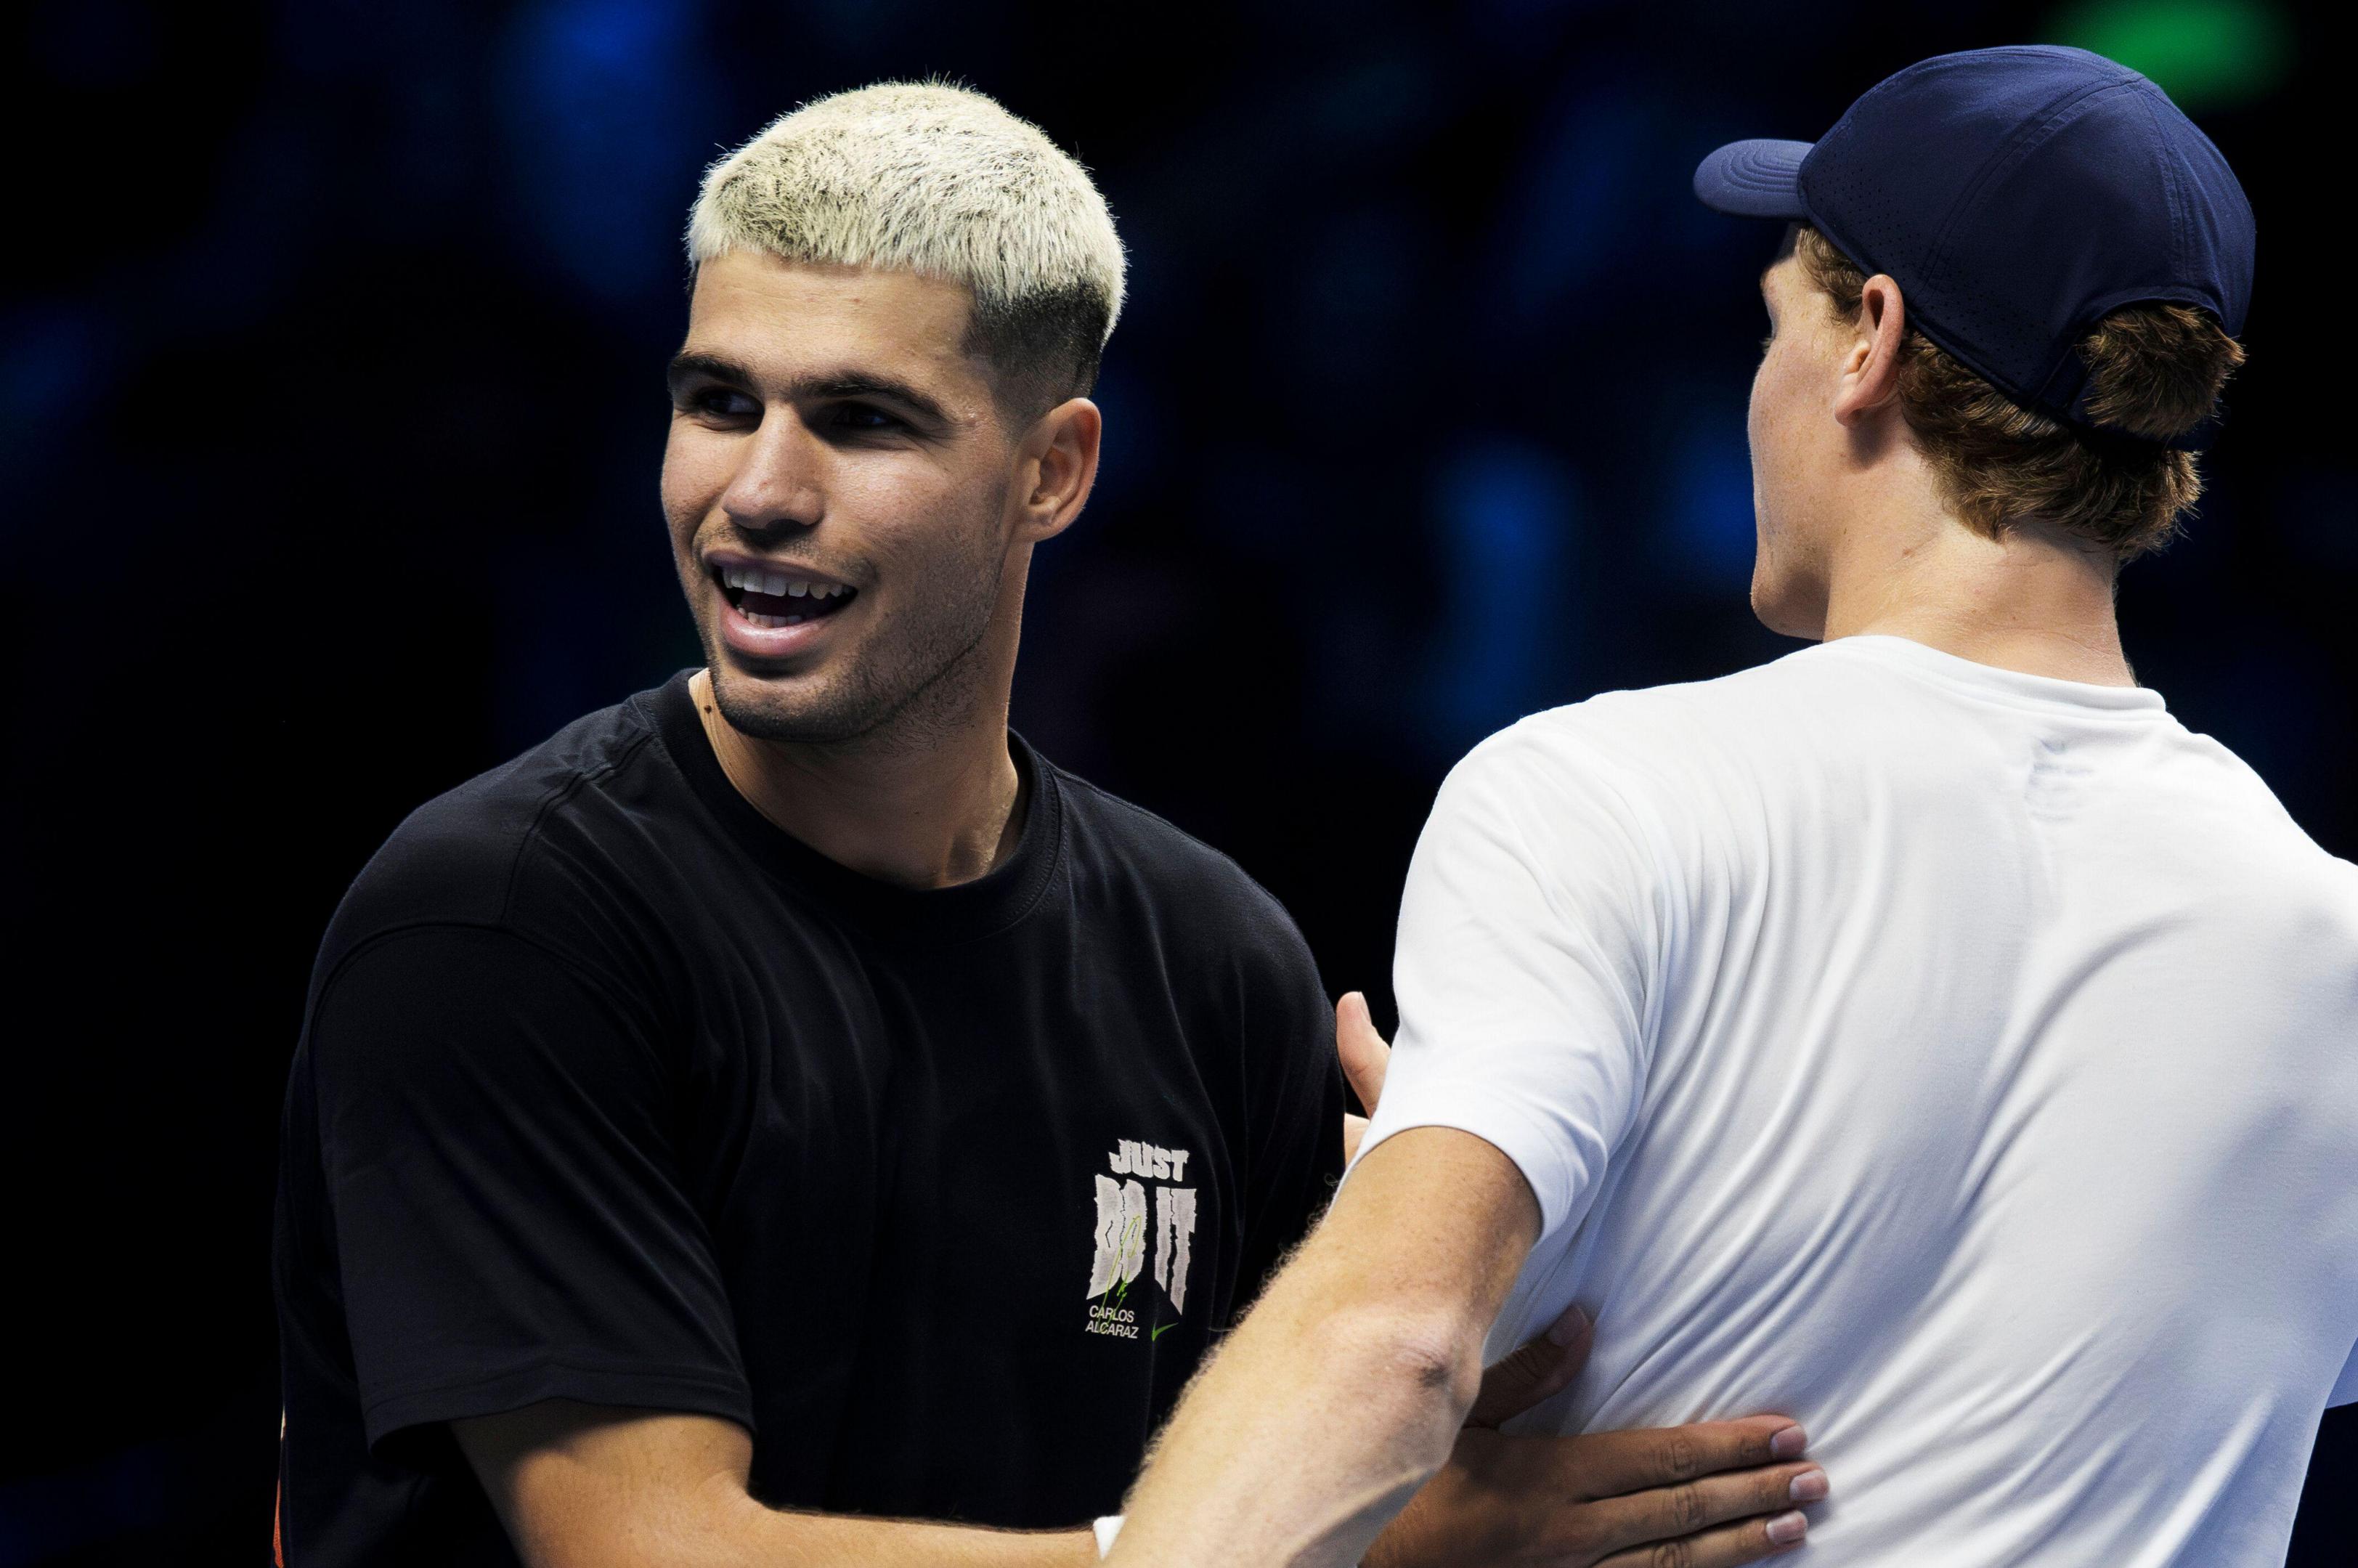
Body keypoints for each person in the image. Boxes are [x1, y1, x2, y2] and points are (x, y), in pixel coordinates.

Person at [270, 82, 1824, 1567]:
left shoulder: (1210, 954)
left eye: (862, 420)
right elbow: (653, 1549)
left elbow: (1332, 1469)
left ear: (1053, 473)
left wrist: (1486, 1270)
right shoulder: (501, 920)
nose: (756, 489)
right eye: (718, 403)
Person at [1102, 45, 2358, 1568]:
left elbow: (1398, 1352)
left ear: (1867, 343)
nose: (1756, 384)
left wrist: (1420, 1281)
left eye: (1775, 328)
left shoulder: (1596, 799)